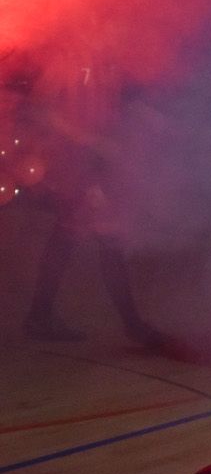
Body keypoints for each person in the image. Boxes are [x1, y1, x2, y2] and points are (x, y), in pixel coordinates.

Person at [18, 53, 170, 349]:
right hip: (75, 165)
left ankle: (40, 315)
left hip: (92, 164)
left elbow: (118, 106)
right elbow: (41, 112)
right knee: (104, 237)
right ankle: (132, 325)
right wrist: (91, 142)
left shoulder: (107, 62)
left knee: (69, 237)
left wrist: (147, 117)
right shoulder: (65, 63)